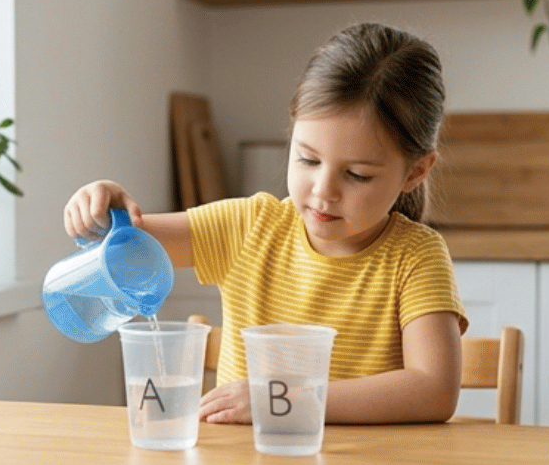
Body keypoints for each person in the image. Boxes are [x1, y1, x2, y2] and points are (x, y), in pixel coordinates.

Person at [63, 21, 466, 425]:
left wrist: (279, 398)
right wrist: (103, 206)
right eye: (308, 159)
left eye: (357, 175)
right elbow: (123, 243)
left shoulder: (416, 256)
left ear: (416, 171)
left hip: (362, 464)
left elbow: (434, 390)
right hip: (242, 462)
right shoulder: (248, 227)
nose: (323, 191)